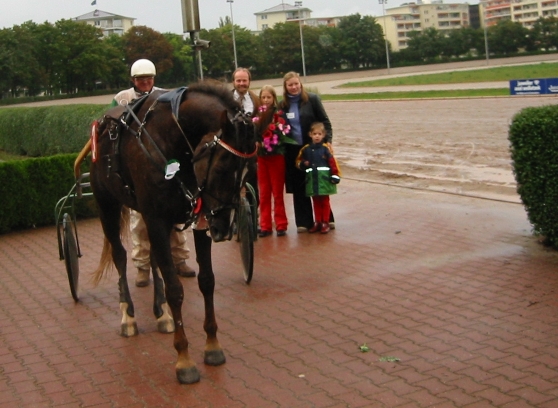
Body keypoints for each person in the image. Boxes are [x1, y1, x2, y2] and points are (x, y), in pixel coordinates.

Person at [112, 58, 196, 286]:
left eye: (148, 78)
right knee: (140, 221)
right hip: (138, 170)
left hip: (165, 167)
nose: (145, 83)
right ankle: (142, 267)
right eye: (140, 79)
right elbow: (115, 130)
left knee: (177, 219)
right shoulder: (123, 98)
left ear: (154, 78)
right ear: (133, 80)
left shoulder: (165, 96)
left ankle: (180, 261)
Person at [279, 71, 335, 233]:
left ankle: (326, 219)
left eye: (296, 84)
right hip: (293, 151)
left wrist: (328, 142)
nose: (294, 87)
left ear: (300, 84)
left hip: (313, 149)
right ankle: (304, 222)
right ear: (285, 87)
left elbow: (325, 122)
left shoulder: (312, 99)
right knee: (298, 185)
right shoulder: (282, 105)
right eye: (290, 85)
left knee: (319, 184)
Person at [254, 85, 291, 237]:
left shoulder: (279, 115)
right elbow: (254, 133)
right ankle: (265, 225)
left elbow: (284, 133)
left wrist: (274, 141)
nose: (266, 100)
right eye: (263, 97)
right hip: (262, 158)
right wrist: (258, 142)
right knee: (263, 193)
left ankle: (281, 225)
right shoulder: (257, 115)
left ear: (274, 98)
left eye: (269, 97)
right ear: (260, 99)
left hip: (277, 157)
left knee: (277, 193)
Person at [296, 122, 341, 234]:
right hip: (312, 180)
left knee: (325, 201)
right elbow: (298, 161)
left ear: (323, 135)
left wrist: (335, 175)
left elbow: (333, 163)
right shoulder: (306, 149)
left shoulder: (326, 149)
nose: (317, 136)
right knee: (315, 201)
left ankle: (325, 221)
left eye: (319, 134)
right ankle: (318, 222)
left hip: (324, 180)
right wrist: (303, 164)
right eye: (314, 133)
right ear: (310, 135)